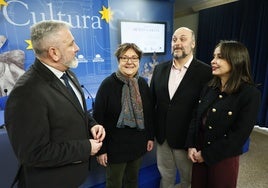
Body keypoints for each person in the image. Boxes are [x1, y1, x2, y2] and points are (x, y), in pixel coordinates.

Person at [4, 20, 105, 188]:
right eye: (72, 44)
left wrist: (92, 125)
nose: (77, 48)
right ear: (54, 53)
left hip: (73, 178)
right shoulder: (26, 93)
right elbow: (33, 154)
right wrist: (85, 147)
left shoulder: (68, 74)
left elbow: (76, 111)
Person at [186, 40, 261, 188]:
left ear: (236, 59)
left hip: (223, 158)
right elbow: (196, 117)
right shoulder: (209, 87)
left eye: (220, 57)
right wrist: (191, 145)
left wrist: (206, 156)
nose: (213, 61)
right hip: (199, 152)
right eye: (214, 56)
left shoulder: (249, 94)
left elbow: (239, 136)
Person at [150, 27, 212, 188]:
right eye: (174, 39)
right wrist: (151, 134)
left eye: (183, 39)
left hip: (188, 141)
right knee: (166, 177)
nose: (177, 43)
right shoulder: (159, 69)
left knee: (189, 180)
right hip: (162, 138)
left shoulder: (206, 73)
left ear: (193, 44)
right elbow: (152, 104)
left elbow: (206, 111)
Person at [94, 43, 154, 188]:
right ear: (118, 61)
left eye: (134, 58)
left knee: (132, 181)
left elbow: (149, 113)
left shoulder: (142, 83)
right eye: (125, 57)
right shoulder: (107, 85)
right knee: (114, 183)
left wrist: (149, 137)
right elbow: (97, 119)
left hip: (137, 145)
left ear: (139, 61)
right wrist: (101, 150)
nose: (129, 62)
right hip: (115, 148)